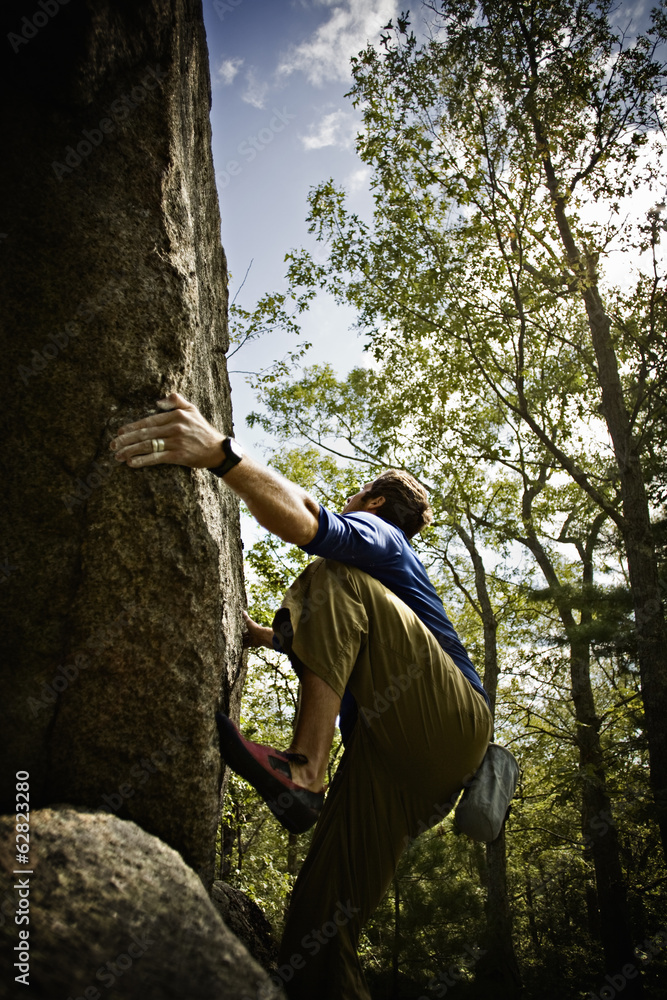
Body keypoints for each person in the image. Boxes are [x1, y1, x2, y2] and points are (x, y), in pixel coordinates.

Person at [110, 390, 493, 1000]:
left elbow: (307, 526)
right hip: (413, 765)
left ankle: (304, 771)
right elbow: (330, 648)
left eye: (355, 499)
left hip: (447, 718)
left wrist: (221, 454)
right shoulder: (386, 594)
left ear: (371, 501)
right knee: (316, 931)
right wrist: (257, 633)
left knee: (330, 571)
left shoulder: (380, 538)